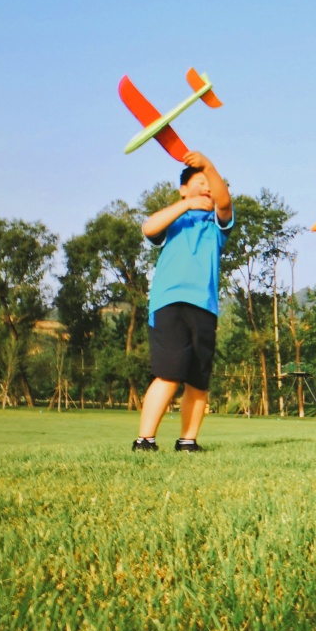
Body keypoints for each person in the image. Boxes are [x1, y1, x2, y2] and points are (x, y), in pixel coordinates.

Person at [132, 151, 233, 452]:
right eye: (200, 182)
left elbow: (225, 203)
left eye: (211, 184)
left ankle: (188, 442)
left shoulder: (217, 225)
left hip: (205, 307)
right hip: (169, 303)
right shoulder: (176, 220)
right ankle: (145, 440)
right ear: (183, 189)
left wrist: (209, 167)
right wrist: (186, 205)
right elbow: (149, 227)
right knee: (168, 373)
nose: (207, 188)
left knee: (198, 379)